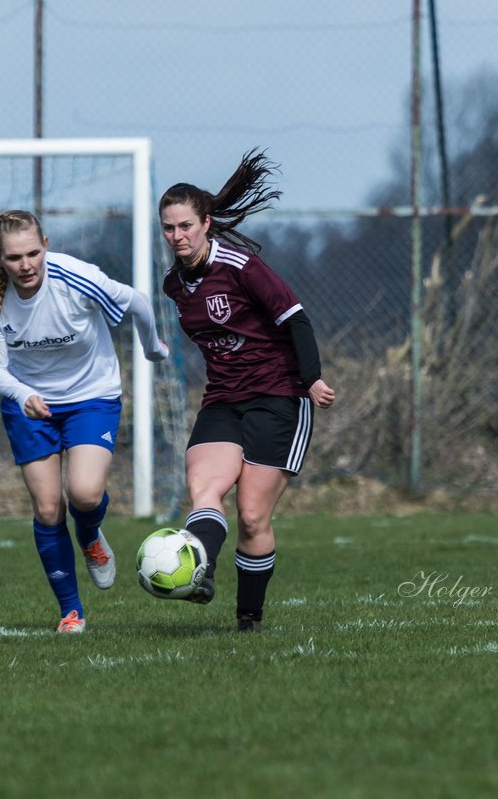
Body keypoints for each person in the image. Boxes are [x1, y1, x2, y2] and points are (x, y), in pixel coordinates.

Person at [158, 149, 336, 633]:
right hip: (223, 400)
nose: (177, 236)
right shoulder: (175, 284)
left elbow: (295, 319)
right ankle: (201, 571)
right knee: (204, 490)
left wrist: (312, 378)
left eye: (186, 226)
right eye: (169, 228)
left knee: (253, 515)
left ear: (206, 224)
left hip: (279, 396)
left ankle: (249, 619)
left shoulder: (241, 266)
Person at [0, 210, 168, 633]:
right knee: (47, 509)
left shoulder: (75, 277)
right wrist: (23, 395)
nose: (25, 265)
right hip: (28, 404)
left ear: (45, 243)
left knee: (83, 494)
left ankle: (90, 536)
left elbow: (137, 301)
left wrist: (152, 348)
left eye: (32, 253)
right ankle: (71, 611)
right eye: (13, 258)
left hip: (90, 397)